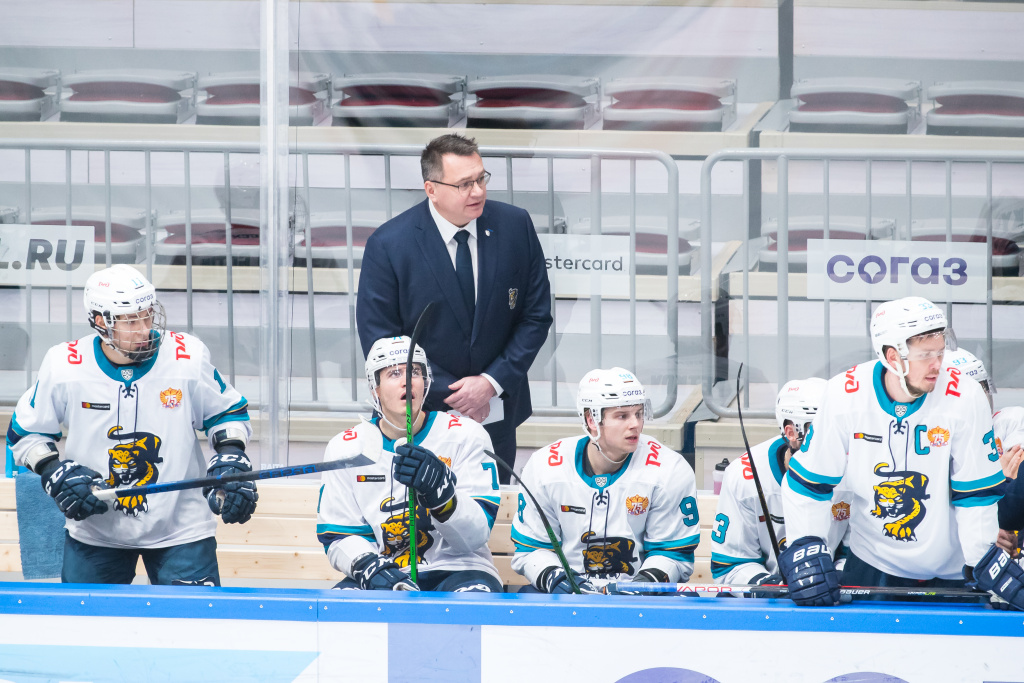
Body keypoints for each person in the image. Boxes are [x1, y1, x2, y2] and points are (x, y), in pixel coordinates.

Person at [6, 264, 255, 585]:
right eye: (131, 321)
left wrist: (231, 455)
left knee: (193, 619)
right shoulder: (65, 364)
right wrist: (54, 471)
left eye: (148, 316)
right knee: (85, 618)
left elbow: (227, 413)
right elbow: (26, 431)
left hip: (182, 528)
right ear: (100, 321)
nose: (144, 329)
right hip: (95, 529)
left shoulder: (187, 357)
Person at [780, 296, 1024, 610]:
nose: (938, 364)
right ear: (892, 356)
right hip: (872, 563)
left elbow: (976, 494)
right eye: (926, 355)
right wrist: (806, 545)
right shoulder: (843, 395)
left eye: (940, 351)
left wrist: (982, 558)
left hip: (951, 567)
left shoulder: (965, 396)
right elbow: (809, 483)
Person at [356, 133, 552, 483]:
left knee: (491, 506)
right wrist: (456, 394)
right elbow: (380, 340)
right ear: (431, 189)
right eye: (464, 184)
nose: (477, 191)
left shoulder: (515, 226)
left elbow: (535, 316)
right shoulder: (389, 245)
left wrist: (490, 383)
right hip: (421, 416)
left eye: (481, 179)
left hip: (495, 411)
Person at [316, 336, 503, 592]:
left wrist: (443, 496)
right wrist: (370, 567)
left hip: (460, 569)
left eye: (414, 372)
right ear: (375, 388)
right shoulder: (346, 448)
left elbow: (474, 538)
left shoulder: (466, 435)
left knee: (475, 602)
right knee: (341, 606)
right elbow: (340, 534)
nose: (407, 380)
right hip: (384, 570)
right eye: (394, 373)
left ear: (425, 382)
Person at [511, 368, 699, 593]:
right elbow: (532, 548)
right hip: (568, 592)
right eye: (622, 416)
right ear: (591, 419)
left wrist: (642, 586)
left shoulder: (670, 469)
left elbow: (672, 554)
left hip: (640, 597)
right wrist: (559, 581)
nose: (635, 424)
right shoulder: (544, 466)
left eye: (639, 414)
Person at [712, 378, 851, 591]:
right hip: (765, 602)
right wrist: (771, 587)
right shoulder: (743, 476)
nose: (831, 440)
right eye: (819, 430)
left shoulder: (854, 471)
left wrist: (837, 577)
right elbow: (730, 564)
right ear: (791, 432)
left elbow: (856, 553)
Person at [944, 348, 1024, 556]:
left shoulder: (1010, 421)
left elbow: (1014, 501)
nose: (978, 399)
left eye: (982, 389)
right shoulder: (933, 438)